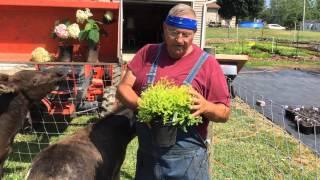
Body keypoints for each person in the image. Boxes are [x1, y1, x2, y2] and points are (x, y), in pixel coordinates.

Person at [117, 3, 230, 180]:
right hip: (148, 161)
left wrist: (206, 107)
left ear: (194, 33)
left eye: (186, 35)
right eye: (173, 32)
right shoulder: (147, 53)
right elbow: (123, 88)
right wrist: (142, 106)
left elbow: (224, 113)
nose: (179, 40)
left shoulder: (208, 65)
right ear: (164, 28)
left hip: (188, 165)